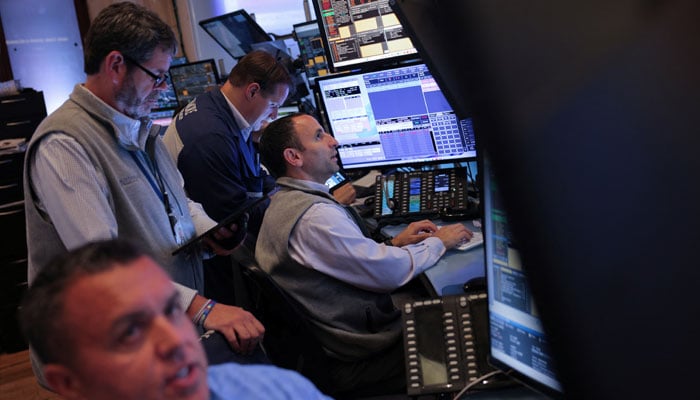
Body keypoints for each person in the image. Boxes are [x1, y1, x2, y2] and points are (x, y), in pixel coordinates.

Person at [22, 1, 264, 384]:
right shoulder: (64, 144)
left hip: (161, 322)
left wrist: (208, 232)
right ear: (116, 65)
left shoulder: (140, 127)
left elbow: (178, 203)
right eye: (157, 76)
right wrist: (203, 308)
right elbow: (101, 267)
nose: (164, 87)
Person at [255, 112, 473, 394]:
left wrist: (395, 244)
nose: (334, 142)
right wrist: (440, 242)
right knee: (469, 326)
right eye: (320, 136)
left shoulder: (288, 201)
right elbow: (388, 274)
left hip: (332, 341)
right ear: (294, 157)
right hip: (358, 354)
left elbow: (346, 259)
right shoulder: (315, 217)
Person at [19, 239, 332, 400]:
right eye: (130, 332)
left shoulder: (269, 387)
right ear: (70, 384)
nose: (176, 341)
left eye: (171, 310)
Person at [162, 50, 355, 305]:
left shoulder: (224, 113)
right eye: (274, 105)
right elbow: (238, 219)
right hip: (208, 265)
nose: (274, 115)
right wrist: (318, 206)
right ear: (252, 91)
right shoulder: (210, 138)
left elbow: (258, 179)